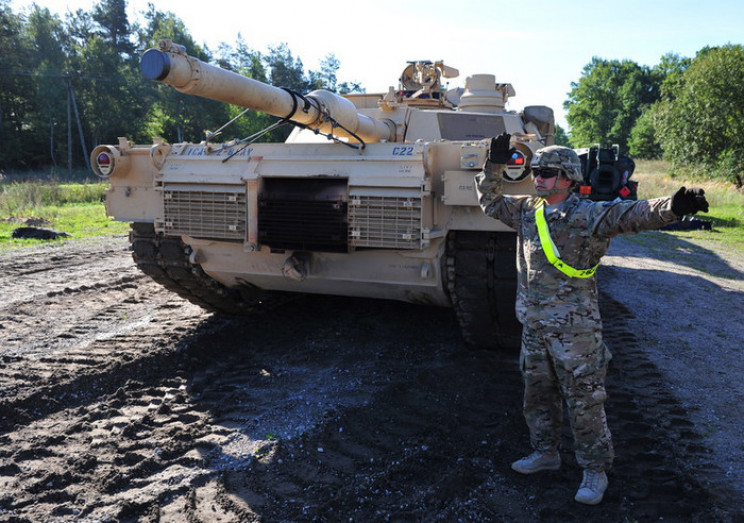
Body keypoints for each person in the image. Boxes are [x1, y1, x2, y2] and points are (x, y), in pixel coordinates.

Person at [475, 132, 709, 505]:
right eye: (536, 170)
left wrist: (674, 207)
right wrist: (494, 165)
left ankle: (594, 471)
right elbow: (488, 201)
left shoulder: (588, 215)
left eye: (547, 172)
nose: (538, 177)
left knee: (585, 402)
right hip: (535, 326)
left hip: (576, 331)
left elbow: (633, 214)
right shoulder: (525, 211)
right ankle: (546, 453)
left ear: (568, 177)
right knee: (537, 397)